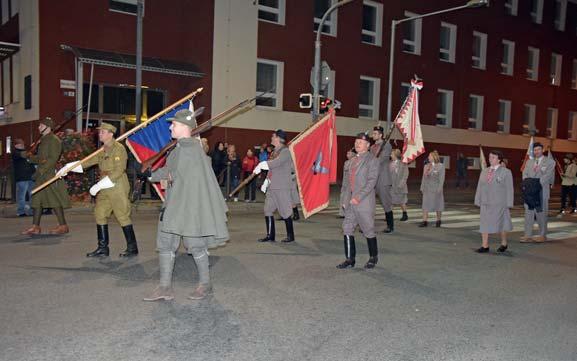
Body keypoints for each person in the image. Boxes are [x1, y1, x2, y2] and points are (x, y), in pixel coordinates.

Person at [144, 109, 229, 302]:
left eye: (173, 124)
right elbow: (171, 172)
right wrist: (150, 175)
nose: (170, 127)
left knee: (195, 245)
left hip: (188, 206)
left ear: (184, 127)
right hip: (175, 205)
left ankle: (205, 284)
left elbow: (177, 174)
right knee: (166, 244)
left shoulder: (190, 149)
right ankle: (165, 287)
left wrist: (158, 175)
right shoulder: (181, 148)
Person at [59, 123, 139, 258]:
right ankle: (103, 248)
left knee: (122, 216)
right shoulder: (102, 150)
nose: (100, 134)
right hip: (104, 186)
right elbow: (88, 162)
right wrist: (69, 167)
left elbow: (119, 170)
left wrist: (99, 185)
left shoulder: (118, 149)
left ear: (110, 134)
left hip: (117, 185)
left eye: (102, 132)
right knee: (99, 213)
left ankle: (132, 248)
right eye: (100, 132)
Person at [21, 117, 71, 235]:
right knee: (37, 200)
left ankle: (63, 226)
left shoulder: (54, 140)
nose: (39, 127)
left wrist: (40, 171)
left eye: (41, 125)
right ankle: (35, 227)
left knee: (54, 200)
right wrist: (29, 157)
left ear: (47, 127)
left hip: (49, 175)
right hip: (42, 175)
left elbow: (52, 159)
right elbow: (41, 158)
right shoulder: (44, 140)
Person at [337, 132, 380, 269]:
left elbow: (371, 182)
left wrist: (358, 197)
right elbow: (347, 183)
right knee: (347, 228)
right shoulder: (351, 162)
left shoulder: (372, 160)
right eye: (356, 142)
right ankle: (350, 259)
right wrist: (345, 199)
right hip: (351, 202)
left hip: (364, 201)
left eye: (360, 142)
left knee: (368, 230)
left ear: (367, 145)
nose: (357, 144)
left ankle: (373, 257)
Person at [253, 129, 295, 243]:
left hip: (282, 186)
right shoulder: (274, 152)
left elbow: (277, 163)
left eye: (273, 136)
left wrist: (264, 164)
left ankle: (290, 236)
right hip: (272, 186)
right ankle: (270, 235)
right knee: (267, 209)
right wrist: (266, 181)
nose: (271, 138)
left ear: (278, 138)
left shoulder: (285, 151)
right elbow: (272, 169)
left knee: (285, 211)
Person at [474, 150, 514, 253]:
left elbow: (510, 189)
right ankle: (485, 245)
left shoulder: (506, 172)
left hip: (499, 203)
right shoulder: (485, 171)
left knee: (502, 224)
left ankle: (504, 243)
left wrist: (509, 203)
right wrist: (478, 199)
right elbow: (480, 186)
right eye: (490, 157)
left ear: (499, 159)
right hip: (485, 202)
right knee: (484, 223)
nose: (490, 159)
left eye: (493, 157)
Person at [521, 143, 555, 243]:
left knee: (541, 213)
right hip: (529, 191)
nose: (536, 152)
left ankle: (542, 235)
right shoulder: (529, 162)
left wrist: (535, 183)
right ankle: (528, 235)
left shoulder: (550, 162)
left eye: (539, 149)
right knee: (528, 213)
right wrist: (527, 184)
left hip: (541, 191)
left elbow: (548, 176)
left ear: (543, 150)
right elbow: (525, 174)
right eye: (535, 150)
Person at [370, 126, 394, 233]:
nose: (373, 135)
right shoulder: (372, 147)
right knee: (368, 203)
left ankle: (390, 226)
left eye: (375, 134)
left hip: (383, 179)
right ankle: (367, 225)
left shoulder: (386, 145)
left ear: (380, 135)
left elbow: (383, 159)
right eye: (373, 133)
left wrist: (372, 161)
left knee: (386, 203)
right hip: (372, 179)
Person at [419, 150, 445, 228]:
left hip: (436, 189)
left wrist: (439, 189)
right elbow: (423, 178)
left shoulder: (440, 166)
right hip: (427, 188)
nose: (428, 157)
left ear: (434, 157)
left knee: (438, 205)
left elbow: (441, 179)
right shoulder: (426, 166)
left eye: (430, 156)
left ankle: (438, 220)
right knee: (425, 205)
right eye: (428, 156)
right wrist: (422, 187)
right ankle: (424, 221)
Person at [12, 139, 35, 217]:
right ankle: (21, 211)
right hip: (21, 178)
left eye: (22, 144)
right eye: (19, 144)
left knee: (32, 194)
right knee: (21, 195)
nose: (22, 145)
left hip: (30, 177)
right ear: (15, 145)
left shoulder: (27, 153)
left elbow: (31, 163)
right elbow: (23, 155)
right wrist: (32, 150)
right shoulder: (15, 153)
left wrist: (34, 173)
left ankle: (31, 211)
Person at [390, 149, 409, 221]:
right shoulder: (390, 164)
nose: (390, 155)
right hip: (392, 186)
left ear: (396, 155)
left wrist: (401, 184)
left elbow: (405, 175)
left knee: (402, 202)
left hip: (401, 187)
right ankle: (389, 216)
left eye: (392, 154)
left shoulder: (403, 164)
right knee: (390, 202)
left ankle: (405, 214)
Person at [338, 148, 356, 218]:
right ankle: (342, 213)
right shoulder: (346, 162)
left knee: (347, 198)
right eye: (347, 153)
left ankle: (347, 213)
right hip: (345, 182)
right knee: (343, 197)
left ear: (353, 154)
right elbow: (344, 173)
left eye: (349, 153)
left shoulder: (354, 161)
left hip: (351, 183)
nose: (347, 155)